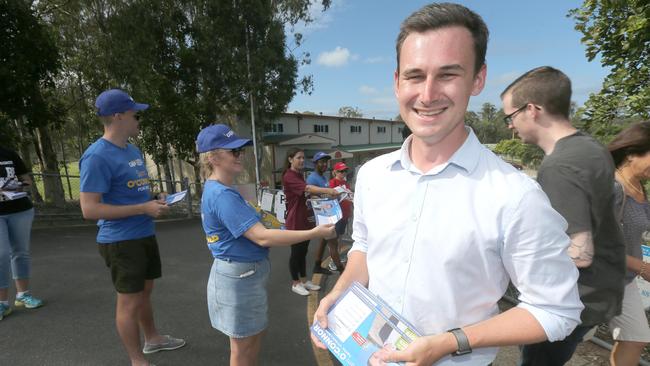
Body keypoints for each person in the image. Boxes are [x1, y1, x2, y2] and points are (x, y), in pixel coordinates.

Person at [312, 4, 583, 366]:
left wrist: (448, 342)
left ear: (477, 79)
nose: (427, 94)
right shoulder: (374, 175)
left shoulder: (516, 196)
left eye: (448, 74)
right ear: (396, 82)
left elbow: (556, 310)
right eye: (414, 75)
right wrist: (341, 293)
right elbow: (363, 247)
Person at [501, 66, 626, 366]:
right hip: (600, 292)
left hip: (571, 301)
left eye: (510, 116)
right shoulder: (590, 147)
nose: (510, 126)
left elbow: (579, 254)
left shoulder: (560, 166)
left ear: (532, 110)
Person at [196, 124, 334, 366]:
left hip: (244, 275)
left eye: (240, 150)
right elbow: (262, 237)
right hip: (238, 277)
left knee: (251, 339)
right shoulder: (222, 194)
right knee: (243, 348)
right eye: (234, 151)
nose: (241, 155)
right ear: (213, 157)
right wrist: (313, 231)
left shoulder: (223, 189)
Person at [79, 89, 185, 366]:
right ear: (118, 116)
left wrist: (154, 200)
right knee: (128, 303)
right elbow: (89, 209)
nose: (138, 117)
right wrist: (142, 209)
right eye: (134, 113)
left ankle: (152, 339)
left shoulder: (131, 149)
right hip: (121, 241)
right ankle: (137, 361)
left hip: (143, 233)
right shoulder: (96, 156)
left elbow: (131, 192)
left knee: (144, 295)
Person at [606, 121, 650, 366]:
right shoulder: (612, 188)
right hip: (597, 280)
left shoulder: (639, 186)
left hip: (625, 280)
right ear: (632, 153)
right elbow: (596, 246)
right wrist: (642, 267)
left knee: (635, 338)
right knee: (561, 343)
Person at [282, 148, 339, 296]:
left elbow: (306, 194)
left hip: (304, 219)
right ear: (290, 159)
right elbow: (307, 188)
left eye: (303, 158)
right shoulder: (289, 176)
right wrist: (329, 191)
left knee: (303, 251)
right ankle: (295, 283)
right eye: (298, 157)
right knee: (296, 253)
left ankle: (304, 280)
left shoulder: (299, 175)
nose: (301, 160)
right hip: (295, 221)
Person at [0, 147, 43, 320]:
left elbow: (26, 181)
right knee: (1, 254)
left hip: (20, 210)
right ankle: (2, 303)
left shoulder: (9, 153)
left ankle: (23, 295)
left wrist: (5, 188)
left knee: (20, 252)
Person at [306, 151, 335, 275]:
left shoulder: (323, 177)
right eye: (322, 162)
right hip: (319, 215)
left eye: (326, 162)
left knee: (325, 241)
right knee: (333, 242)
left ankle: (317, 265)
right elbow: (310, 197)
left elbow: (325, 194)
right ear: (315, 163)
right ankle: (341, 268)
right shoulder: (312, 178)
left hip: (327, 213)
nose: (324, 164)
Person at [327, 161, 353, 272]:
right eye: (341, 171)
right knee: (334, 239)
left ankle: (338, 256)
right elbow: (331, 197)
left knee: (341, 237)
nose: (343, 173)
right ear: (335, 172)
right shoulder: (332, 182)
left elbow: (348, 196)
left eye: (345, 171)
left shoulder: (346, 184)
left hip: (345, 213)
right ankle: (333, 260)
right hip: (336, 215)